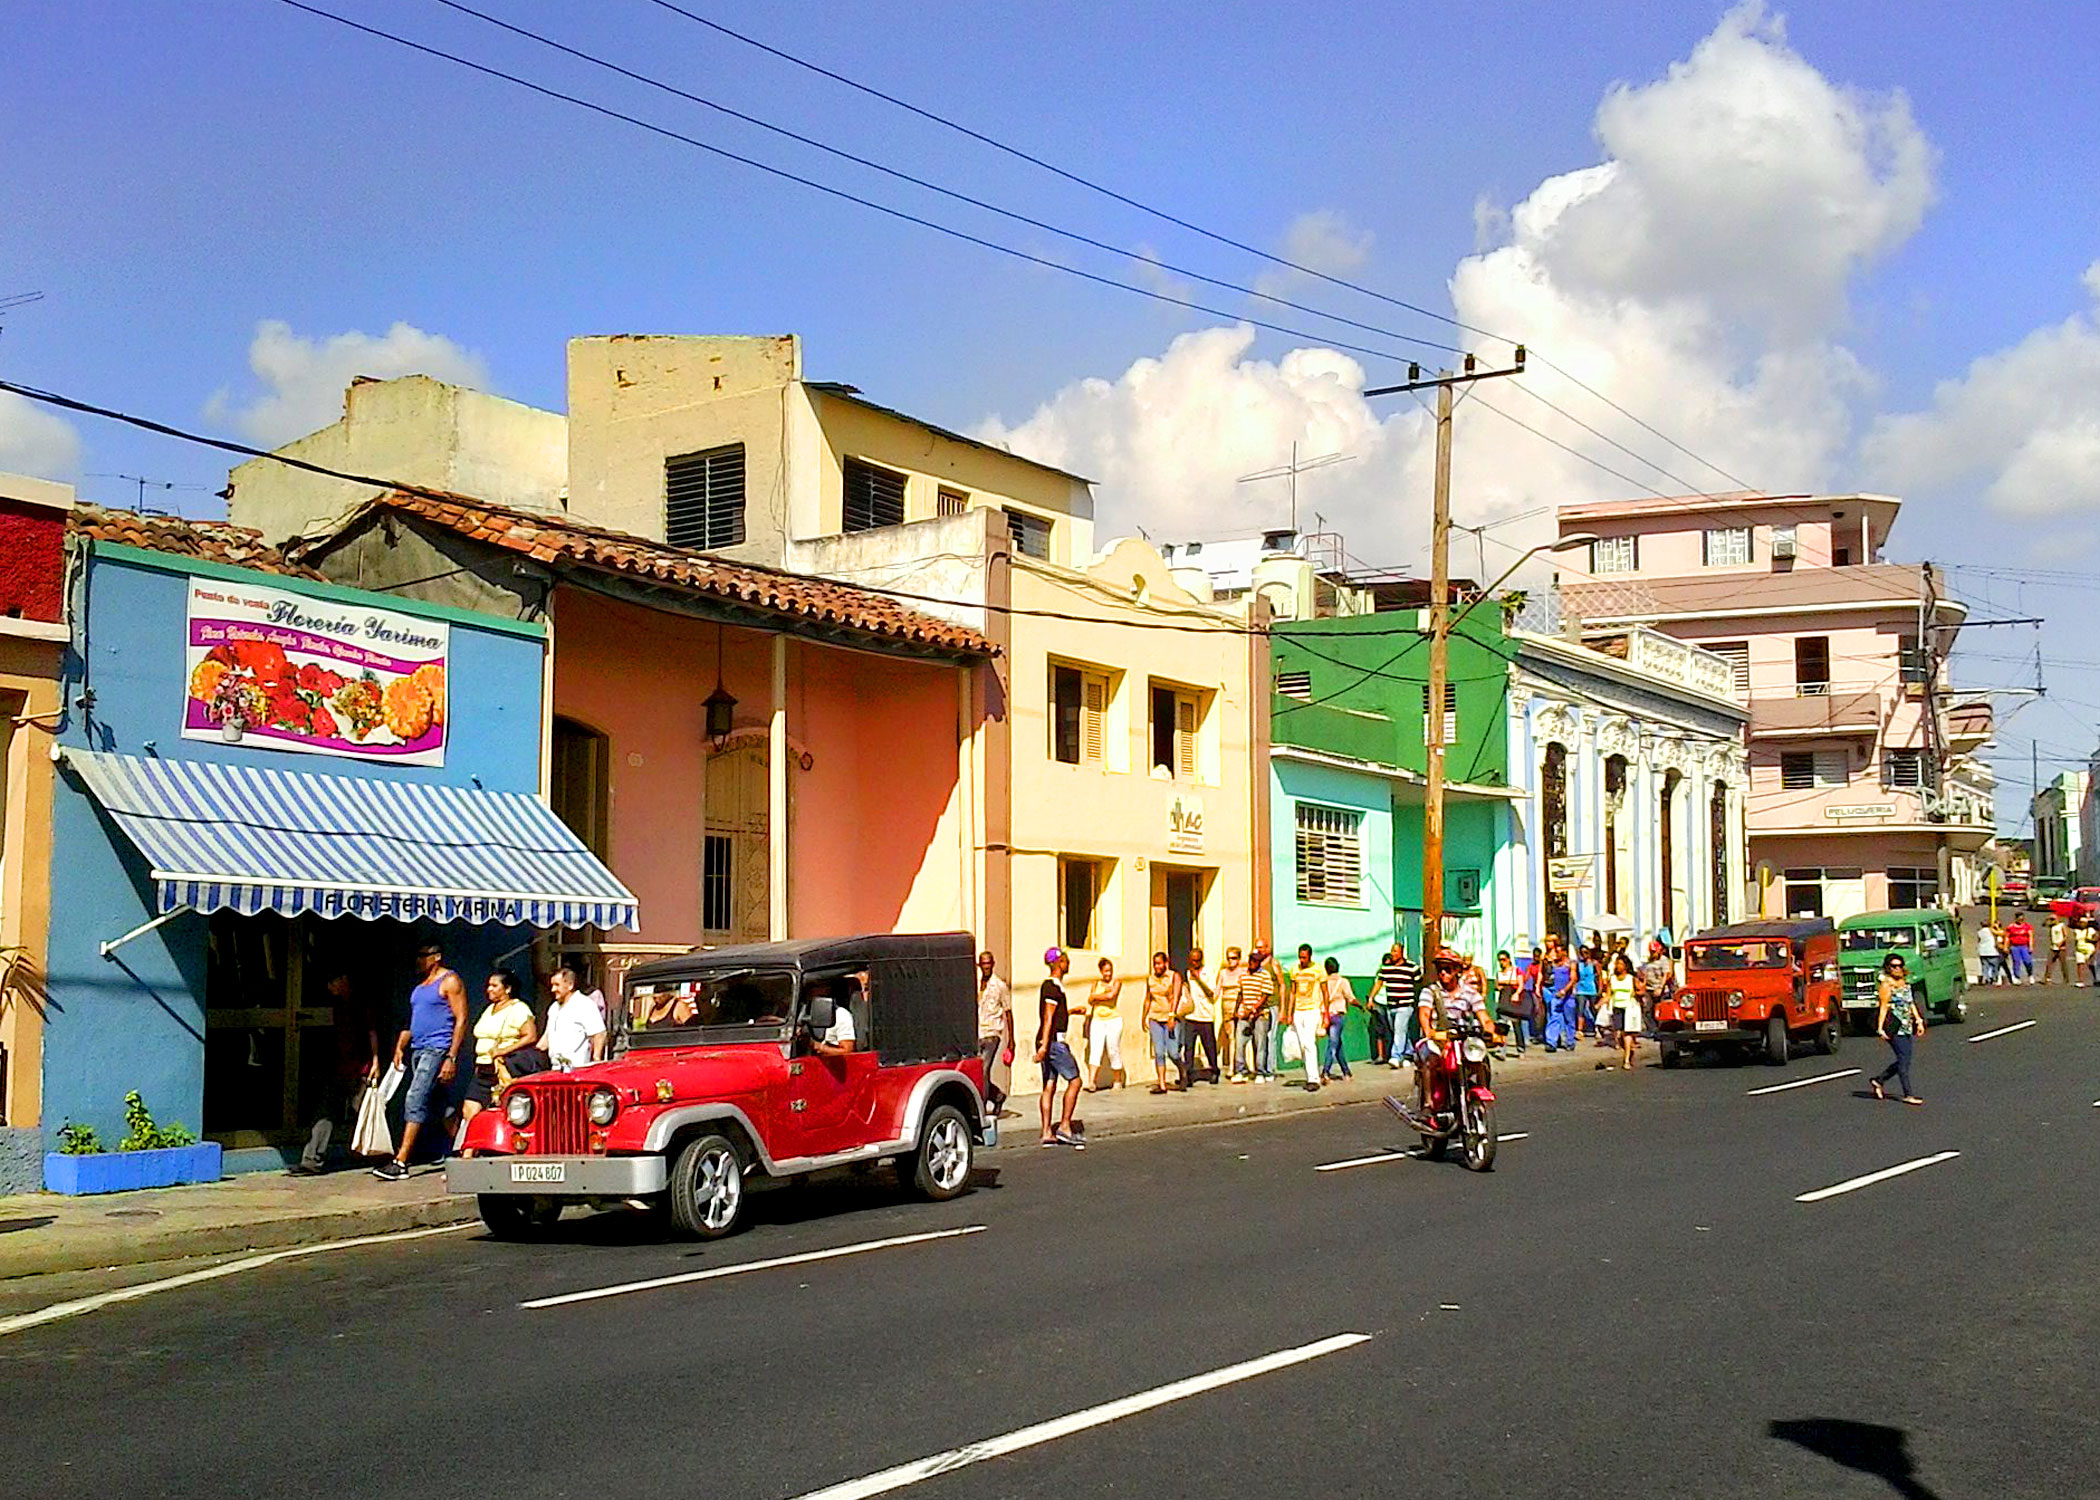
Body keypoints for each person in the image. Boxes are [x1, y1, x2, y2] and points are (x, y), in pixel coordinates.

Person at [373, 943, 468, 1181]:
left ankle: (401, 1161)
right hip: (418, 1048)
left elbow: (461, 1019)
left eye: (422, 956)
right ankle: (466, 1150)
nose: (418, 960)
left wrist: (451, 1057)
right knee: (439, 1104)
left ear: (435, 957)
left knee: (415, 1099)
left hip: (436, 1049)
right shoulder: (419, 987)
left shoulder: (449, 981)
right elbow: (414, 1023)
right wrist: (400, 1046)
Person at [293, 970, 378, 1175]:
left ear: (344, 980)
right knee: (325, 1112)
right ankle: (311, 1160)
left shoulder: (360, 1004)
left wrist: (375, 1061)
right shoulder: (338, 1005)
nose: (329, 989)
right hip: (340, 1068)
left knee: (367, 1114)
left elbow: (371, 1032)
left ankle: (381, 1154)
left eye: (332, 983)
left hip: (360, 1069)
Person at [459, 968, 539, 1145]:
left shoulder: (519, 1009)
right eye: (489, 985)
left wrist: (504, 1050)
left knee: (506, 1111)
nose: (489, 989)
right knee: (469, 1110)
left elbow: (530, 1036)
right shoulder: (489, 1009)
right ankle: (469, 1151)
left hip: (503, 1068)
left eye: (495, 986)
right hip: (483, 1068)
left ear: (507, 989)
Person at [1034, 948, 1084, 1147]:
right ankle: (1064, 1126)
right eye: (1065, 960)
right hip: (1054, 1042)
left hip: (1049, 1040)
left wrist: (1070, 1012)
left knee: (1049, 1085)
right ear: (1058, 963)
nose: (1068, 963)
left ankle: (1047, 1132)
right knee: (1075, 1081)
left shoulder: (1054, 988)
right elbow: (1048, 1017)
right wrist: (1045, 1046)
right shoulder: (1052, 987)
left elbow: (1056, 1014)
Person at [1869, 953, 1926, 1106]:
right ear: (1888, 967)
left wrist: (1919, 1020)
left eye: (1900, 965)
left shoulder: (1904, 983)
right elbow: (1883, 1007)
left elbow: (1910, 1003)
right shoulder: (1886, 985)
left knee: (1905, 1059)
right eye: (1894, 966)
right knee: (1903, 1060)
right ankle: (1908, 1094)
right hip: (1894, 1027)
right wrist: (1880, 1028)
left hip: (1906, 1025)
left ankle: (1879, 1080)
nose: (1897, 968)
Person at [544, 965, 608, 1071]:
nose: (553, 989)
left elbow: (599, 1034)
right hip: (555, 1068)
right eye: (552, 985)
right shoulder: (554, 1008)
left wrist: (596, 1061)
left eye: (557, 985)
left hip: (577, 1068)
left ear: (570, 985)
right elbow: (546, 1038)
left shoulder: (584, 1004)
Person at [1371, 942, 1422, 1071]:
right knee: (1399, 1031)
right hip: (1391, 1006)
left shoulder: (1412, 968)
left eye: (1395, 951)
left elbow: (1418, 983)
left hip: (1405, 1005)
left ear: (1401, 953)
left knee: (1399, 1030)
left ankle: (1396, 1056)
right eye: (1392, 951)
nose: (1393, 954)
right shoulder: (1387, 968)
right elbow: (1379, 983)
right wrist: (1371, 997)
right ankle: (1409, 1052)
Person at [976, 951, 1013, 1117]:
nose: (986, 967)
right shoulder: (976, 984)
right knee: (976, 1071)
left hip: (992, 1033)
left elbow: (1008, 1013)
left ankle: (981, 1107)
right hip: (978, 1033)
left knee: (984, 1070)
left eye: (988, 963)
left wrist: (1011, 1041)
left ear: (993, 964)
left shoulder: (999, 985)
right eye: (983, 964)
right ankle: (997, 1096)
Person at [1282, 943, 1323, 1091]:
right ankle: (1309, 1075)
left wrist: (1325, 1014)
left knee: (1309, 1043)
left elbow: (1324, 991)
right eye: (1300, 957)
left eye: (1304, 957)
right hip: (1298, 1010)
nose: (1302, 960)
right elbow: (1292, 991)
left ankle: (1314, 1078)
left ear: (1310, 956)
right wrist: (1289, 1012)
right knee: (1302, 1044)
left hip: (1313, 1009)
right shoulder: (1295, 970)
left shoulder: (1318, 969)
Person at [1142, 952, 1184, 1093]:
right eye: (1155, 963)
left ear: (1166, 963)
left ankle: (1182, 1070)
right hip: (1155, 1018)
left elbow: (1177, 996)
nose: (1157, 966)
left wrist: (1172, 1015)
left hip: (1169, 1018)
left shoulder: (1174, 976)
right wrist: (1144, 1016)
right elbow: (1148, 998)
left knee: (1173, 1052)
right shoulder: (1151, 979)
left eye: (1159, 963)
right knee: (1159, 1052)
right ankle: (1162, 1084)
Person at [1180, 947, 1221, 1084]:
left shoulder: (1208, 973)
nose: (1194, 964)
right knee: (1189, 1047)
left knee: (1209, 1046)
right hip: (1191, 1015)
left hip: (1206, 1016)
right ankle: (1188, 1074)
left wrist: (1197, 979)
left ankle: (1214, 1070)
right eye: (1192, 961)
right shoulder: (1187, 973)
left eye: (1197, 961)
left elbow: (1211, 993)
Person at [1082, 957, 1124, 1091]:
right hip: (1098, 1019)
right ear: (1101, 971)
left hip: (1113, 1019)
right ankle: (1091, 1082)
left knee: (1113, 1049)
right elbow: (1090, 999)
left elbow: (1111, 996)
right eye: (1105, 971)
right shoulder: (1096, 983)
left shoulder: (1116, 982)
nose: (1108, 974)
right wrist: (1099, 996)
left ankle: (1117, 1080)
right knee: (1095, 1049)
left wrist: (1098, 997)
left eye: (1110, 971)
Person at [1238, 945, 1278, 1081]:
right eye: (1251, 960)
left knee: (1260, 1043)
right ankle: (1241, 1070)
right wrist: (1237, 1010)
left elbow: (1265, 995)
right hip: (1245, 1013)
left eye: (1256, 961)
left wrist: (1255, 1008)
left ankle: (1260, 1071)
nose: (1252, 963)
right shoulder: (1243, 974)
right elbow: (1240, 992)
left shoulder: (1264, 975)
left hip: (1261, 1014)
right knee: (1240, 1042)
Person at [1319, 958, 1357, 1080]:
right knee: (1333, 1045)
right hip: (1338, 1015)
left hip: (1326, 1015)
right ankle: (1325, 1071)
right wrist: (1360, 1006)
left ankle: (1346, 1072)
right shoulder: (1343, 982)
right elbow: (1351, 998)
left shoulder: (1323, 982)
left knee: (1337, 1043)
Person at [1216, 947, 1248, 1079]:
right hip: (1227, 1007)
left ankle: (1244, 1065)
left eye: (1234, 958)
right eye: (1229, 958)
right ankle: (1231, 1067)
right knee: (1231, 1038)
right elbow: (1217, 990)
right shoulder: (1223, 973)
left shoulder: (1243, 972)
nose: (1231, 961)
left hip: (1240, 1006)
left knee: (1242, 1037)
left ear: (1239, 959)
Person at [1607, 952, 1642, 1070]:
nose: (1618, 966)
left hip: (1629, 1007)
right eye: (1617, 963)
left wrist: (1638, 993)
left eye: (1621, 964)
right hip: (1617, 1007)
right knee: (1618, 1034)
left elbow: (1640, 990)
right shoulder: (1612, 979)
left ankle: (1626, 1060)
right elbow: (1608, 994)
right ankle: (1629, 1048)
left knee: (1627, 1033)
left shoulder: (1631, 978)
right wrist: (1600, 1004)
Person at [1636, 939, 1676, 1037]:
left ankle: (1661, 1029)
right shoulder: (1648, 961)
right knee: (1647, 1009)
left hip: (1661, 988)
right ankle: (1652, 1029)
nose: (1652, 953)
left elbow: (1666, 974)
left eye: (1654, 951)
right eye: (1651, 951)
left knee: (1661, 1009)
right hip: (1649, 988)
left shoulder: (1663, 960)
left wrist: (1660, 988)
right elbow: (1643, 973)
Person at [1543, 938, 1577, 1052]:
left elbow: (1573, 979)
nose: (1556, 954)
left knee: (1569, 1019)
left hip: (1568, 995)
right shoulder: (1554, 964)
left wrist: (1565, 990)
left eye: (1558, 952)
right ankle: (1551, 1042)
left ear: (1564, 952)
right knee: (1554, 1016)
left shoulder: (1570, 964)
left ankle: (1570, 1041)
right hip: (1556, 994)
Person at [1493, 951, 1519, 1059]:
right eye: (1500, 960)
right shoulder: (1499, 973)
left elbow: (1518, 983)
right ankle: (1501, 1049)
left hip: (1513, 1001)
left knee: (1516, 1026)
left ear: (1508, 959)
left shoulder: (1514, 971)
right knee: (1501, 1026)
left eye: (1503, 959)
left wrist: (1507, 984)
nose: (1502, 962)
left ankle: (1520, 1047)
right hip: (1502, 1001)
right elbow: (1496, 985)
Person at [1574, 944, 1602, 1042]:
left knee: (1593, 1008)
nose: (1583, 955)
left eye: (1585, 952)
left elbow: (1599, 977)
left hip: (1592, 988)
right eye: (1581, 953)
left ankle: (1597, 1028)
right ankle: (1579, 1030)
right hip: (1581, 988)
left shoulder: (1594, 964)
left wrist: (1600, 988)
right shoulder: (1579, 964)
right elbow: (1576, 977)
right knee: (1580, 1009)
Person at [2005, 912, 2035, 984]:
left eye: (2022, 919)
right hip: (2014, 947)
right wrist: (2005, 946)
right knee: (2016, 962)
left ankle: (2030, 975)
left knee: (2027, 961)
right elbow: (2007, 937)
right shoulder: (2011, 927)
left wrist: (2031, 946)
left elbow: (2030, 936)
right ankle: (2016, 977)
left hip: (2024, 946)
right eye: (2020, 919)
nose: (2021, 921)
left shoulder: (2027, 927)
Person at [2044, 913, 2073, 986]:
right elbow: (2043, 924)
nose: (2052, 921)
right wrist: (2047, 918)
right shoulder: (2052, 926)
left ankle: (2066, 979)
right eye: (2051, 919)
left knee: (2063, 964)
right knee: (2049, 963)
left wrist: (2061, 942)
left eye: (2053, 919)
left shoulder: (2061, 925)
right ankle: (2047, 978)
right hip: (2053, 947)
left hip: (2061, 948)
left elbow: (2066, 936)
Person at [1973, 919, 2000, 985]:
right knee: (1994, 966)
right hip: (1992, 951)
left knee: (1985, 966)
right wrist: (1997, 927)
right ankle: (1994, 979)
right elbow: (2001, 933)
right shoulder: (1991, 930)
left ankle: (1985, 978)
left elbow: (1979, 941)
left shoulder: (1979, 932)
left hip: (1983, 951)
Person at [2077, 919, 2097, 988]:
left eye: (2083, 923)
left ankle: (2095, 978)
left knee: (2090, 965)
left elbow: (2096, 938)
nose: (2081, 924)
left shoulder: (2091, 930)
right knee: (2080, 965)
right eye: (2080, 923)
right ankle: (2081, 981)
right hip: (2079, 950)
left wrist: (2090, 940)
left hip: (2089, 950)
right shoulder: (2077, 931)